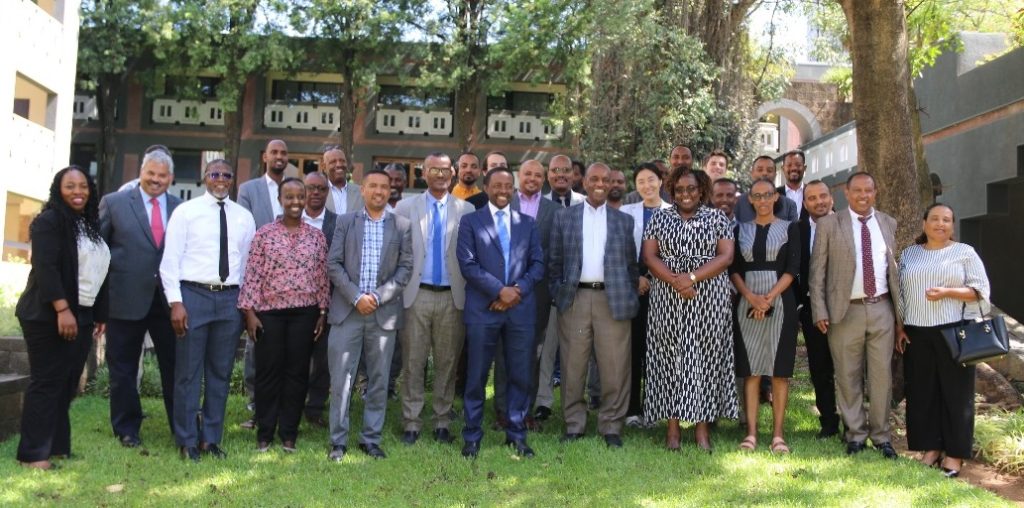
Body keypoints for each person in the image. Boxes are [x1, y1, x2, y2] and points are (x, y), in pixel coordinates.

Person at [160, 159, 256, 462]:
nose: (221, 179)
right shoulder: (186, 213)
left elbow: (248, 265)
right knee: (188, 373)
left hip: (230, 299)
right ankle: (187, 440)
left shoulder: (244, 217)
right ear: (205, 177)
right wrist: (176, 302)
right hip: (193, 296)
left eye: (227, 175)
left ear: (232, 180)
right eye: (215, 174)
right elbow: (170, 261)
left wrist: (246, 305)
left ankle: (210, 439)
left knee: (220, 373)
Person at [15, 166, 110, 470]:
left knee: (68, 382)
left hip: (82, 313)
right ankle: (33, 455)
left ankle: (57, 447)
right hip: (47, 314)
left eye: (83, 186)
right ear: (58, 189)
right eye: (70, 186)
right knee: (47, 382)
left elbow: (98, 270)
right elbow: (46, 268)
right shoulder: (49, 222)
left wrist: (98, 313)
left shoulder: (87, 224)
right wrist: (62, 310)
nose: (78, 192)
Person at [642, 167, 736, 451]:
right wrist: (676, 281)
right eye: (680, 189)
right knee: (670, 358)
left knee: (705, 359)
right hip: (668, 298)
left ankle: (702, 430)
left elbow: (727, 255)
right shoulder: (659, 217)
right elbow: (649, 256)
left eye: (691, 189)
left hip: (709, 298)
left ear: (702, 189)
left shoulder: (717, 217)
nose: (685, 194)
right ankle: (672, 431)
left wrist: (692, 278)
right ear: (671, 190)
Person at [809, 171, 902, 458]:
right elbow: (817, 273)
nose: (863, 196)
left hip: (882, 309)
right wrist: (820, 310)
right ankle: (856, 434)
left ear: (875, 192)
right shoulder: (829, 224)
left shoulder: (887, 223)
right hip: (844, 310)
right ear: (846, 194)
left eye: (869, 190)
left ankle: (882, 436)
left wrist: (899, 319)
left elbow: (893, 271)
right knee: (847, 375)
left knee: (881, 376)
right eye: (857, 191)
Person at [325, 169, 413, 462]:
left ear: (390, 192)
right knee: (342, 380)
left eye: (384, 187)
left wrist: (376, 297)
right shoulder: (345, 222)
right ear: (362, 190)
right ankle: (338, 441)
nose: (378, 191)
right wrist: (356, 297)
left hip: (382, 313)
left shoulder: (402, 225)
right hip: (347, 312)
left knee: (379, 379)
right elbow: (333, 264)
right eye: (372, 186)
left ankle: (370, 439)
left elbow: (405, 270)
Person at [549, 163, 639, 448]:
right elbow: (554, 262)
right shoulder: (565, 218)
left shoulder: (623, 221)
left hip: (612, 301)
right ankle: (574, 424)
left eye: (606, 179)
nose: (601, 184)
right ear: (584, 182)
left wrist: (630, 294)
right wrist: (559, 293)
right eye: (595, 179)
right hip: (575, 299)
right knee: (573, 365)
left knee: (615, 366)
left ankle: (611, 425)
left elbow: (631, 265)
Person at [456, 167, 545, 458]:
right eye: (497, 185)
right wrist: (499, 291)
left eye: (508, 185)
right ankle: (472, 435)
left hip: (519, 311)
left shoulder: (527, 223)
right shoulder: (471, 221)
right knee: (477, 376)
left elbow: (538, 265)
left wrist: (514, 291)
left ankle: (516, 434)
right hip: (483, 310)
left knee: (519, 375)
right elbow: (468, 265)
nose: (503, 191)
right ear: (487, 187)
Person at [897, 203, 991, 478]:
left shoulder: (964, 253)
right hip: (916, 332)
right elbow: (900, 293)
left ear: (953, 225)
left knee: (956, 395)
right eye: (935, 219)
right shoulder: (909, 254)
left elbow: (981, 292)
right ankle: (930, 449)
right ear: (924, 223)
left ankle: (954, 455)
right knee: (922, 394)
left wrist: (948, 291)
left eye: (946, 220)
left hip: (955, 331)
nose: (940, 224)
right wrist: (899, 327)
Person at [238, 177, 329, 453]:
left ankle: (289, 432)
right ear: (280, 200)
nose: (295, 202)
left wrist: (322, 311)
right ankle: (265, 432)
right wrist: (249, 313)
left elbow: (323, 278)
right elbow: (251, 275)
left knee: (297, 374)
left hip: (305, 313)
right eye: (289, 197)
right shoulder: (264, 234)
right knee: (268, 373)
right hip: (269, 314)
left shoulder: (316, 236)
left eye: (299, 196)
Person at [99, 150, 180, 448]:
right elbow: (99, 252)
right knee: (123, 368)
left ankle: (181, 426)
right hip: (125, 300)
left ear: (170, 178)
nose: (155, 180)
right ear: (141, 172)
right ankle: (127, 428)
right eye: (151, 173)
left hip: (168, 303)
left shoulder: (180, 208)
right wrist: (99, 304)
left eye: (162, 176)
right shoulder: (115, 203)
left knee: (175, 367)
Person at [393, 153, 474, 445]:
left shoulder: (465, 210)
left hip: (452, 297)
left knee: (447, 362)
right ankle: (411, 423)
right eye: (434, 170)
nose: (440, 175)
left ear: (452, 174)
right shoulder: (404, 207)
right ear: (424, 173)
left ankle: (442, 421)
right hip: (416, 295)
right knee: (413, 361)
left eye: (445, 170)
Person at [730, 179, 800, 454]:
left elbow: (793, 268)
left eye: (767, 195)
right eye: (756, 196)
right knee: (752, 371)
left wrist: (767, 299)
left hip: (781, 301)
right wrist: (751, 297)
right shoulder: (739, 229)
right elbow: (734, 269)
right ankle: (751, 434)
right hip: (746, 302)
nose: (761, 200)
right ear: (749, 199)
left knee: (779, 372)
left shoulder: (790, 228)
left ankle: (778, 435)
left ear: (775, 198)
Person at [237, 139, 291, 427]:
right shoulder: (249, 190)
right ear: (265, 156)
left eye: (284, 153)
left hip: (290, 283)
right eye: (275, 152)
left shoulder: (296, 186)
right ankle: (256, 405)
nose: (279, 156)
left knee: (285, 349)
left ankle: (282, 405)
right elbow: (245, 232)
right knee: (256, 346)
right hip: (259, 279)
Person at [620, 163, 671, 427]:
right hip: (633, 288)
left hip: (664, 289)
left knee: (657, 350)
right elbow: (620, 251)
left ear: (661, 181)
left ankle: (653, 410)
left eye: (651, 180)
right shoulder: (626, 213)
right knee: (632, 350)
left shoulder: (673, 213)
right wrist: (637, 278)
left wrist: (654, 278)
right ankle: (631, 410)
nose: (647, 186)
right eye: (641, 181)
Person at [511, 160, 558, 424]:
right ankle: (505, 409)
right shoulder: (505, 204)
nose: (532, 178)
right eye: (527, 173)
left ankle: (526, 409)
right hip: (505, 290)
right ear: (520, 176)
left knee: (534, 352)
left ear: (544, 179)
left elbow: (553, 251)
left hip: (538, 291)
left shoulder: (552, 210)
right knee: (507, 351)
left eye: (538, 175)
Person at [797, 180, 840, 439]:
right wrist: (803, 306)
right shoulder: (798, 229)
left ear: (831, 198)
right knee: (820, 368)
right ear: (804, 204)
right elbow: (793, 268)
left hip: (846, 309)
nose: (819, 202)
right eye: (812, 198)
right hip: (812, 309)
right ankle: (828, 422)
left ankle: (853, 422)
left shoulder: (847, 225)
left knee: (848, 368)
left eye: (823, 196)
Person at [300, 172, 338, 428]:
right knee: (293, 358)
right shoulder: (286, 221)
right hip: (293, 304)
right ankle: (289, 404)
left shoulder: (339, 223)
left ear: (327, 193)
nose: (315, 192)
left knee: (323, 360)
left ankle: (314, 409)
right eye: (311, 188)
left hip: (329, 303)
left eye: (321, 189)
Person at [735, 156, 798, 223]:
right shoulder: (739, 202)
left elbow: (793, 232)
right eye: (760, 170)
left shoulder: (789, 205)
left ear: (775, 175)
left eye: (769, 170)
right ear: (752, 174)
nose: (764, 173)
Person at [322, 146, 364, 214]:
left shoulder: (362, 192)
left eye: (342, 161)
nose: (339, 165)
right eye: (333, 162)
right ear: (324, 167)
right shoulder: (318, 193)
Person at [781, 150, 807, 217]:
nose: (794, 168)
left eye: (798, 165)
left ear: (804, 168)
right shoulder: (774, 195)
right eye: (789, 165)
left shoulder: (814, 192)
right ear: (783, 169)